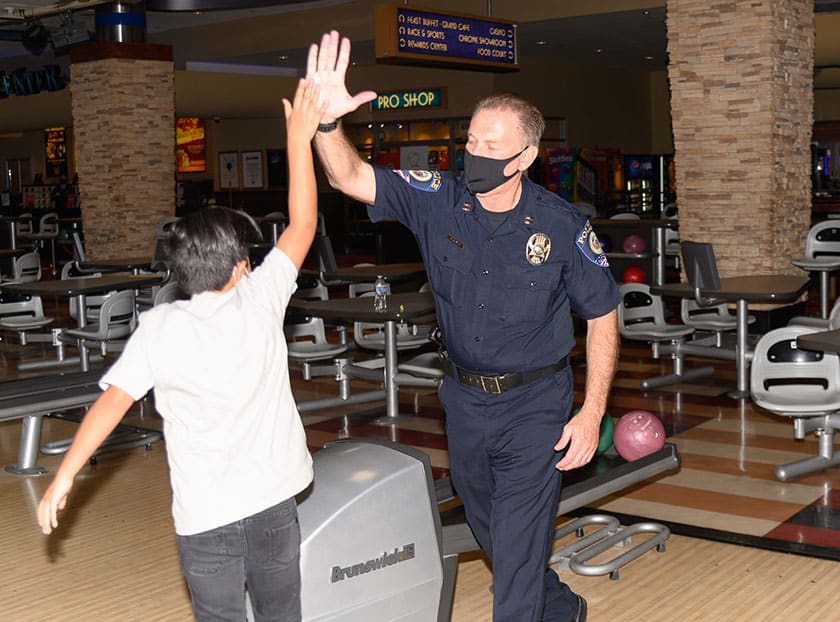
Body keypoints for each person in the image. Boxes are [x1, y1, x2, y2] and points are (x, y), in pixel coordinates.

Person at [305, 31, 620, 622]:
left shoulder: (560, 225)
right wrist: (327, 125)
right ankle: (562, 609)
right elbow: (350, 178)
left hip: (536, 402)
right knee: (490, 527)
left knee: (519, 538)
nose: (473, 151)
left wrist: (593, 410)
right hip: (465, 402)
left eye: (490, 144)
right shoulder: (438, 200)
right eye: (471, 139)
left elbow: (603, 312)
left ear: (524, 156)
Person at [37, 78, 327, 622]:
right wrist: (297, 138)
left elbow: (111, 405)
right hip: (273, 503)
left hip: (206, 515)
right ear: (242, 266)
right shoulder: (260, 300)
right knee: (281, 613)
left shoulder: (159, 327)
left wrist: (65, 474)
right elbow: (304, 223)